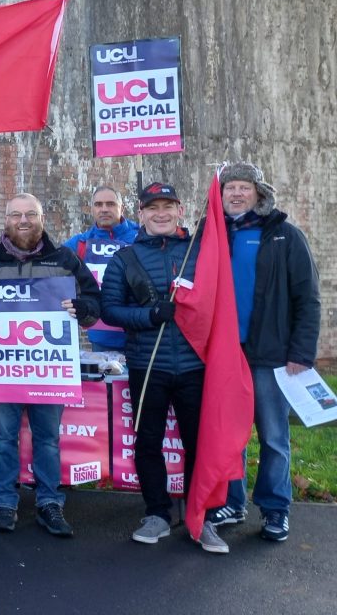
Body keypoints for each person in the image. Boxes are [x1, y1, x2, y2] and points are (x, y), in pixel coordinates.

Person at [0, 193, 101, 538]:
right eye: (16, 215)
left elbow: (94, 303)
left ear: (41, 219)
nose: (23, 221)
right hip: (6, 368)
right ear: (6, 220)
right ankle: (4, 503)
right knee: (3, 438)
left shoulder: (65, 258)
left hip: (49, 369)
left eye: (30, 215)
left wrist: (82, 308)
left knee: (48, 439)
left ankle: (49, 503)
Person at [99, 183, 224, 551]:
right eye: (153, 208)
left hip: (194, 365)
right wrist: (150, 315)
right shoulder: (125, 258)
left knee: (199, 444)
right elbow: (110, 310)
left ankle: (201, 516)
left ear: (180, 210)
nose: (161, 214)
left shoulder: (199, 252)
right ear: (141, 214)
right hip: (147, 364)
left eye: (168, 206)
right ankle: (157, 513)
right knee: (148, 441)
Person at [206, 162, 320, 543]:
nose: (237, 193)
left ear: (259, 192)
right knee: (229, 435)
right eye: (230, 187)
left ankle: (275, 508)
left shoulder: (285, 235)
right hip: (225, 355)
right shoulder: (212, 234)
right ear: (221, 195)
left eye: (244, 186)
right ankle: (232, 502)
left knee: (273, 436)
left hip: (272, 356)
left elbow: (308, 298)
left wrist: (301, 352)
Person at [63, 185, 139, 352]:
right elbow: (48, 264)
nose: (104, 209)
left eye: (110, 204)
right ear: (92, 209)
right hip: (102, 338)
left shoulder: (141, 237)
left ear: (122, 208)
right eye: (98, 204)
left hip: (140, 333)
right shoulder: (80, 243)